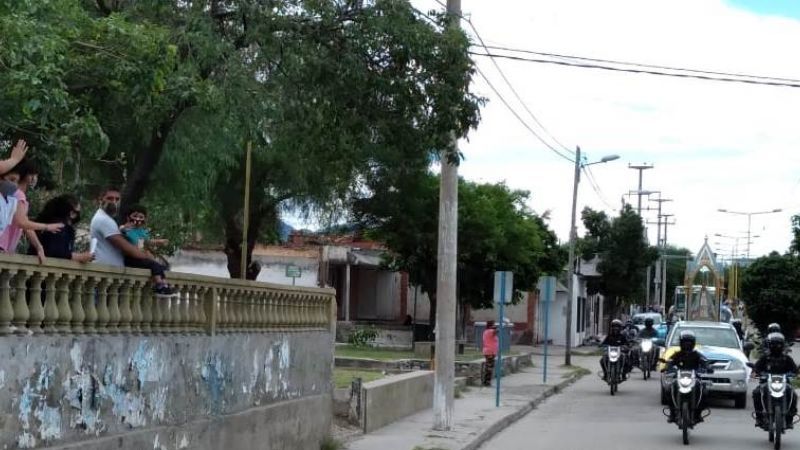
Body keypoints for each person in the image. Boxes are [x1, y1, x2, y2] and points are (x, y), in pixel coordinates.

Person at [89, 187, 174, 294]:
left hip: (110, 277)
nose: (114, 202)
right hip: (103, 277)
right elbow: (129, 249)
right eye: (110, 198)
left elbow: (141, 243)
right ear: (101, 200)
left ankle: (162, 283)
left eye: (117, 199)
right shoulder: (103, 220)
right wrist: (150, 259)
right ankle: (160, 285)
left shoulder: (109, 220)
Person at [0, 159, 63, 260]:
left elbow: (25, 224)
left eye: (36, 175)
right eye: (31, 175)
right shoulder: (19, 195)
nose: (34, 179)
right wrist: (47, 227)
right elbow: (22, 223)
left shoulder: (15, 194)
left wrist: (39, 246)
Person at [752, 332, 798, 430]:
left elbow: (794, 370)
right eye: (773, 344)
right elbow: (756, 368)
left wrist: (793, 373)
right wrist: (757, 372)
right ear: (769, 345)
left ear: (782, 345)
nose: (776, 346)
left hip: (784, 384)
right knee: (756, 392)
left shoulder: (786, 358)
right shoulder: (765, 358)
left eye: (778, 344)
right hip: (766, 383)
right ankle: (759, 417)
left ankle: (789, 419)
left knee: (793, 394)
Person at [26, 194, 92, 262]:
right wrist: (80, 257)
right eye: (77, 213)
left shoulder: (46, 223)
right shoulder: (59, 227)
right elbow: (58, 253)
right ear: (72, 213)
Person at [664, 331, 711, 424]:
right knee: (668, 389)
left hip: (694, 378)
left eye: (689, 342)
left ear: (693, 343)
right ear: (681, 343)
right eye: (685, 342)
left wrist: (707, 367)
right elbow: (670, 362)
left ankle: (698, 414)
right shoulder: (677, 354)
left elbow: (705, 361)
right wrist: (668, 367)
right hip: (679, 378)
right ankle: (672, 413)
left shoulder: (697, 354)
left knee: (705, 391)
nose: (687, 344)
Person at [482, 320, 499, 387]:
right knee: (489, 367)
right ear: (491, 325)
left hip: (489, 351)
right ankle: (487, 382)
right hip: (490, 352)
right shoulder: (490, 331)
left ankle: (487, 381)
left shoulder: (486, 331)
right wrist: (496, 327)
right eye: (494, 324)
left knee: (489, 366)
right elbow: (497, 331)